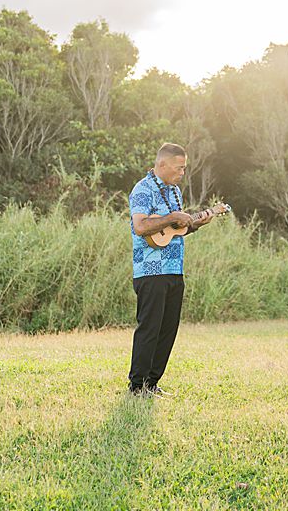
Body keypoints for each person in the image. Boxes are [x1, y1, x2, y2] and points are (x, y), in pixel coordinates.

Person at [127, 142, 217, 397]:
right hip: (150, 270)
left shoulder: (175, 191)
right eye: (179, 168)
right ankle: (136, 386)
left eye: (184, 168)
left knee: (168, 329)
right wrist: (173, 216)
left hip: (174, 268)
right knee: (150, 328)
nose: (182, 173)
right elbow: (141, 227)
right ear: (162, 164)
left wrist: (196, 224)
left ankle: (152, 383)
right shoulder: (143, 189)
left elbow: (175, 231)